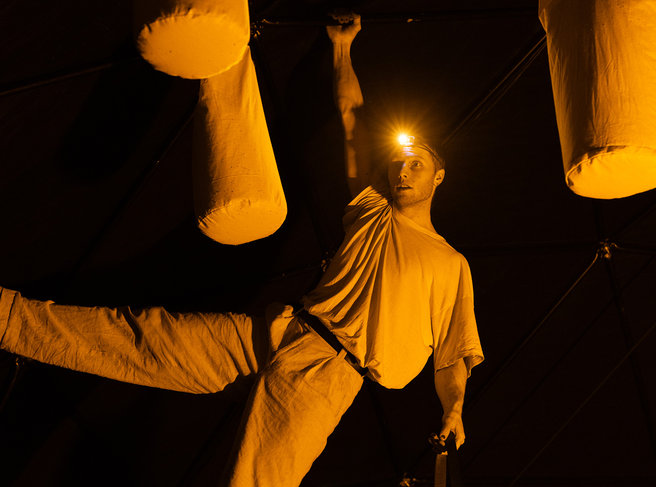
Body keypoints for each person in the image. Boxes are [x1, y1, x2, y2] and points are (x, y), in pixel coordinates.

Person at [0, 12, 483, 487]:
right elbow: (350, 116)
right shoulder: (371, 207)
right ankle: (8, 318)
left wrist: (454, 410)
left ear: (439, 177)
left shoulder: (448, 263)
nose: (402, 170)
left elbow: (451, 355)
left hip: (327, 370)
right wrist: (341, 48)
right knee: (146, 337)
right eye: (398, 161)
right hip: (278, 330)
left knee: (254, 481)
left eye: (416, 164)